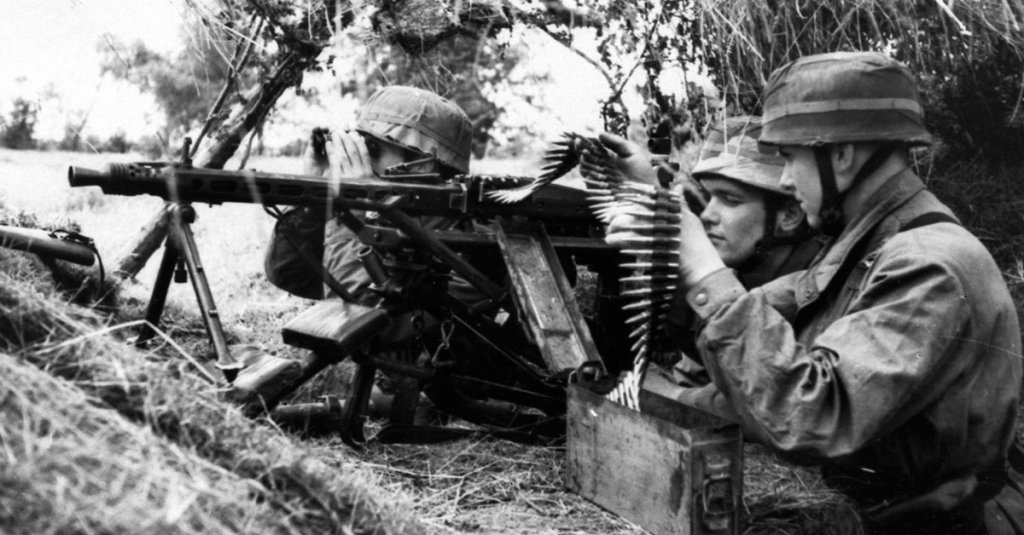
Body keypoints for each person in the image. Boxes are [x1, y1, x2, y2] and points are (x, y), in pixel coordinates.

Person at [605, 51, 1024, 534]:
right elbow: (767, 325)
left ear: (840, 155)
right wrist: (665, 227)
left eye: (788, 158)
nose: (784, 179)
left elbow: (810, 415)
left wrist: (700, 267)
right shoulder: (868, 243)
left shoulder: (928, 263)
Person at [643, 115, 823, 396]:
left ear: (789, 215)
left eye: (730, 200)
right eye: (710, 197)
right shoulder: (745, 276)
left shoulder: (823, 290)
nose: (707, 215)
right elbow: (696, 376)